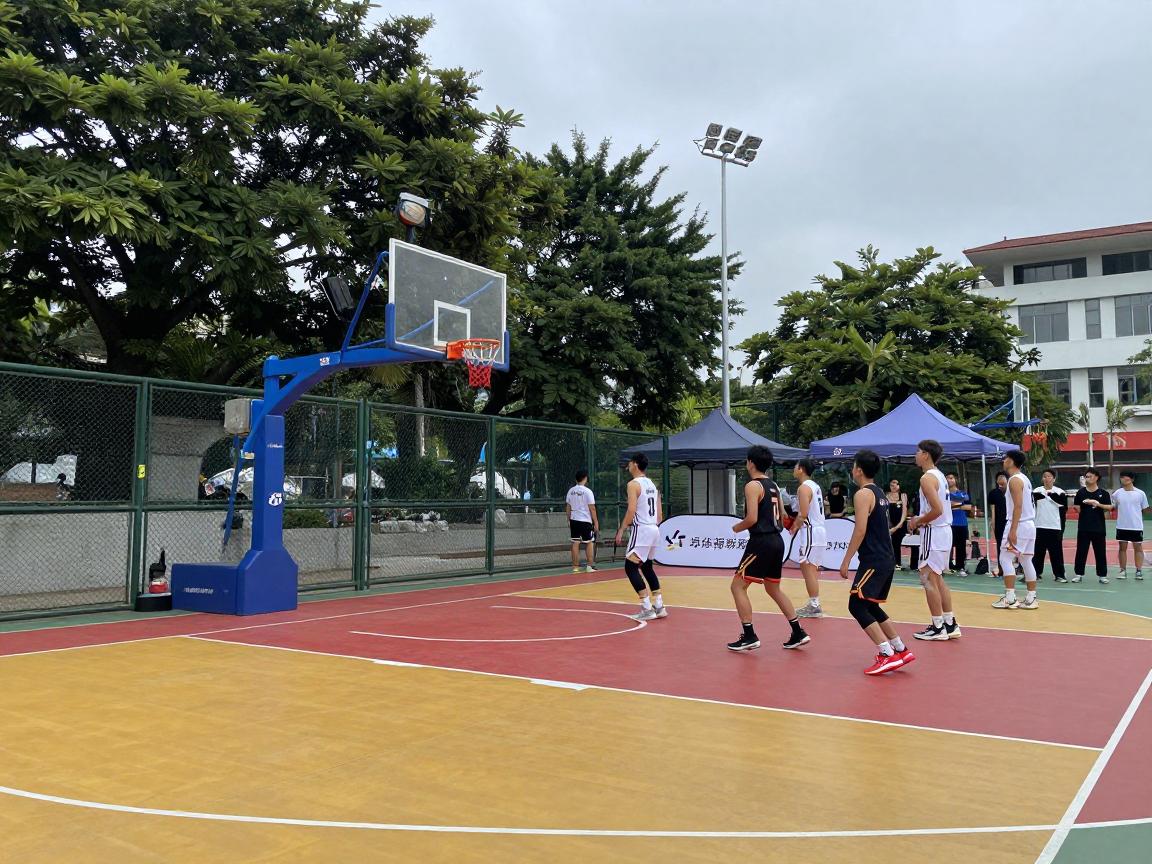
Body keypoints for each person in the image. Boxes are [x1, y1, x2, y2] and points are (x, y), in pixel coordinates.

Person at [840, 449, 916, 675]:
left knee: (856, 605)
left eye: (853, 466)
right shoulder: (880, 493)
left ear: (858, 470)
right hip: (886, 557)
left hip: (874, 559)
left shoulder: (863, 494)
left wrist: (846, 560)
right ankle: (900, 649)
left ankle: (886, 653)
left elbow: (860, 529)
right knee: (871, 606)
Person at [727, 445, 810, 651]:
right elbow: (783, 516)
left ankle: (749, 635)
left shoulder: (753, 486)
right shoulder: (773, 485)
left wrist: (736, 527)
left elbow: (752, 518)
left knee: (737, 586)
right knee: (773, 588)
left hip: (761, 542)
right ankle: (798, 631)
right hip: (776, 541)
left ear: (750, 463)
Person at [907, 439, 961, 641]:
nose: (916, 454)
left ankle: (938, 627)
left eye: (918, 451)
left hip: (934, 532)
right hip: (944, 531)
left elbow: (937, 510)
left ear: (926, 455)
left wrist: (918, 520)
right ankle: (949, 623)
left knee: (928, 578)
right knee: (937, 578)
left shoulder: (927, 478)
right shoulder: (940, 475)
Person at [613, 453, 667, 621]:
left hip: (642, 530)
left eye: (629, 463)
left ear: (635, 464)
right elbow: (660, 515)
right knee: (647, 567)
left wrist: (622, 529)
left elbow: (631, 510)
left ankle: (646, 607)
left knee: (630, 567)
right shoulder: (652, 484)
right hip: (654, 529)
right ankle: (659, 606)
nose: (628, 466)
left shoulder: (633, 484)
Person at [992, 450, 1039, 610]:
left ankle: (1010, 598)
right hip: (1029, 524)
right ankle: (1031, 597)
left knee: (1005, 558)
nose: (1003, 461)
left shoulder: (1014, 480)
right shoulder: (1024, 479)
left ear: (1011, 461)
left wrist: (1013, 530)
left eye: (1006, 458)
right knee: (1026, 560)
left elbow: (1018, 506)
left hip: (1019, 524)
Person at [791, 458, 827, 619]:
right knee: (811, 568)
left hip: (811, 531)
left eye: (795, 466)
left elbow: (803, 514)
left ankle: (814, 605)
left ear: (801, 469)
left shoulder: (804, 488)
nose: (794, 469)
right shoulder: (815, 486)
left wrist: (794, 527)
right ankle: (814, 603)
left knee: (807, 568)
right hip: (819, 530)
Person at [1073, 468, 1112, 584]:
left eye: (1090, 476)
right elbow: (1077, 507)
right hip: (1084, 528)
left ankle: (1102, 575)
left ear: (1096, 477)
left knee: (1100, 552)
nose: (1087, 478)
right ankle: (1078, 574)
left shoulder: (1104, 493)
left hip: (1099, 528)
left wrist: (1097, 504)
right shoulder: (1081, 493)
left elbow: (1109, 509)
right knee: (1081, 551)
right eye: (1086, 476)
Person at [1033, 469, 1067, 582]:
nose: (1046, 478)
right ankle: (1036, 573)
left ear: (1054, 479)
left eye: (1049, 476)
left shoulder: (1060, 492)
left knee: (1056, 552)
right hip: (1040, 525)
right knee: (1038, 552)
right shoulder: (1037, 491)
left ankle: (1059, 575)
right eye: (1044, 476)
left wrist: (1062, 528)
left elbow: (1063, 507)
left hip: (1054, 526)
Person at [1112, 471, 1148, 581]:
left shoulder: (1140, 493)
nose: (1124, 480)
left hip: (1136, 526)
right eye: (1122, 478)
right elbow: (1113, 507)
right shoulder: (1117, 493)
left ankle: (1138, 571)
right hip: (1122, 526)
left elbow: (1145, 509)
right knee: (1122, 548)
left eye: (1126, 478)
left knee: (1138, 548)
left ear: (1132, 480)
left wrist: (1136, 517)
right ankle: (1122, 570)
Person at [565, 469, 599, 573]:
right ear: (585, 478)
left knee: (575, 542)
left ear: (576, 479)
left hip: (574, 519)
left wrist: (568, 519)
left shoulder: (571, 491)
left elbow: (568, 507)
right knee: (589, 542)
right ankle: (589, 566)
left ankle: (575, 567)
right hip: (585, 520)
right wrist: (596, 522)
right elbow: (592, 508)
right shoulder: (588, 491)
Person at [946, 472, 972, 575]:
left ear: (956, 480)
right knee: (948, 546)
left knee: (961, 547)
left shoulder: (962, 493)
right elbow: (945, 506)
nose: (949, 480)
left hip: (961, 523)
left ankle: (960, 566)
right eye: (947, 478)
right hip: (949, 523)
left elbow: (969, 506)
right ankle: (948, 565)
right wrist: (959, 505)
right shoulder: (944, 494)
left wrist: (954, 505)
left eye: (951, 478)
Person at [986, 471, 1009, 578]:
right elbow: (993, 510)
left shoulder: (1012, 491)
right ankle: (1001, 569)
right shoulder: (993, 493)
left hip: (1011, 521)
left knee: (1014, 546)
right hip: (1000, 523)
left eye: (1003, 477)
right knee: (1000, 546)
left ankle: (1018, 568)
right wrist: (993, 524)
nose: (1001, 479)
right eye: (999, 477)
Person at [887, 479, 909, 569]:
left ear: (899, 485)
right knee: (889, 543)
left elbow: (904, 512)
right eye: (892, 485)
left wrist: (898, 525)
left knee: (897, 542)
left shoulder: (903, 495)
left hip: (900, 524)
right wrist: (890, 525)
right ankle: (890, 562)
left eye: (896, 484)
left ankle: (897, 562)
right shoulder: (886, 496)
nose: (894, 486)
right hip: (889, 524)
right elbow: (886, 512)